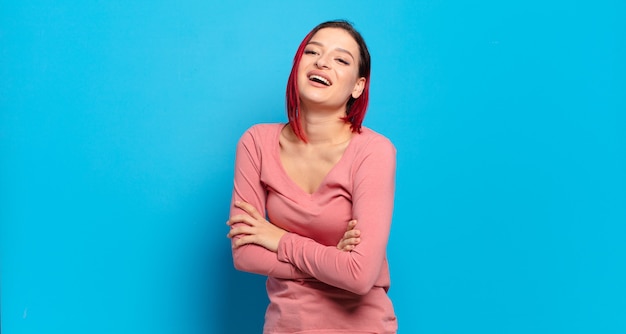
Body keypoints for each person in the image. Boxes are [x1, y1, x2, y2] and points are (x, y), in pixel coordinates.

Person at [226, 20, 398, 333]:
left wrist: (280, 240)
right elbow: (246, 255)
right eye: (312, 52)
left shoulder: (374, 151)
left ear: (358, 86)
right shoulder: (256, 142)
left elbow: (359, 277)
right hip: (286, 325)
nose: (322, 62)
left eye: (341, 59)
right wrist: (335, 261)